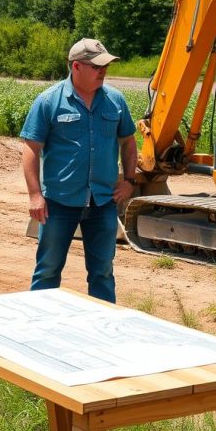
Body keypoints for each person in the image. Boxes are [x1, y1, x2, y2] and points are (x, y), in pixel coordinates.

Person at [20, 38, 138, 303]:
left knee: (102, 274)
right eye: (97, 66)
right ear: (76, 67)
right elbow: (30, 149)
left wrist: (129, 180)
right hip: (58, 204)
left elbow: (129, 142)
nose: (103, 71)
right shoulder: (49, 101)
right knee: (48, 271)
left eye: (105, 65)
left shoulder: (115, 101)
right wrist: (35, 195)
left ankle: (102, 330)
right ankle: (39, 326)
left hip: (102, 202)